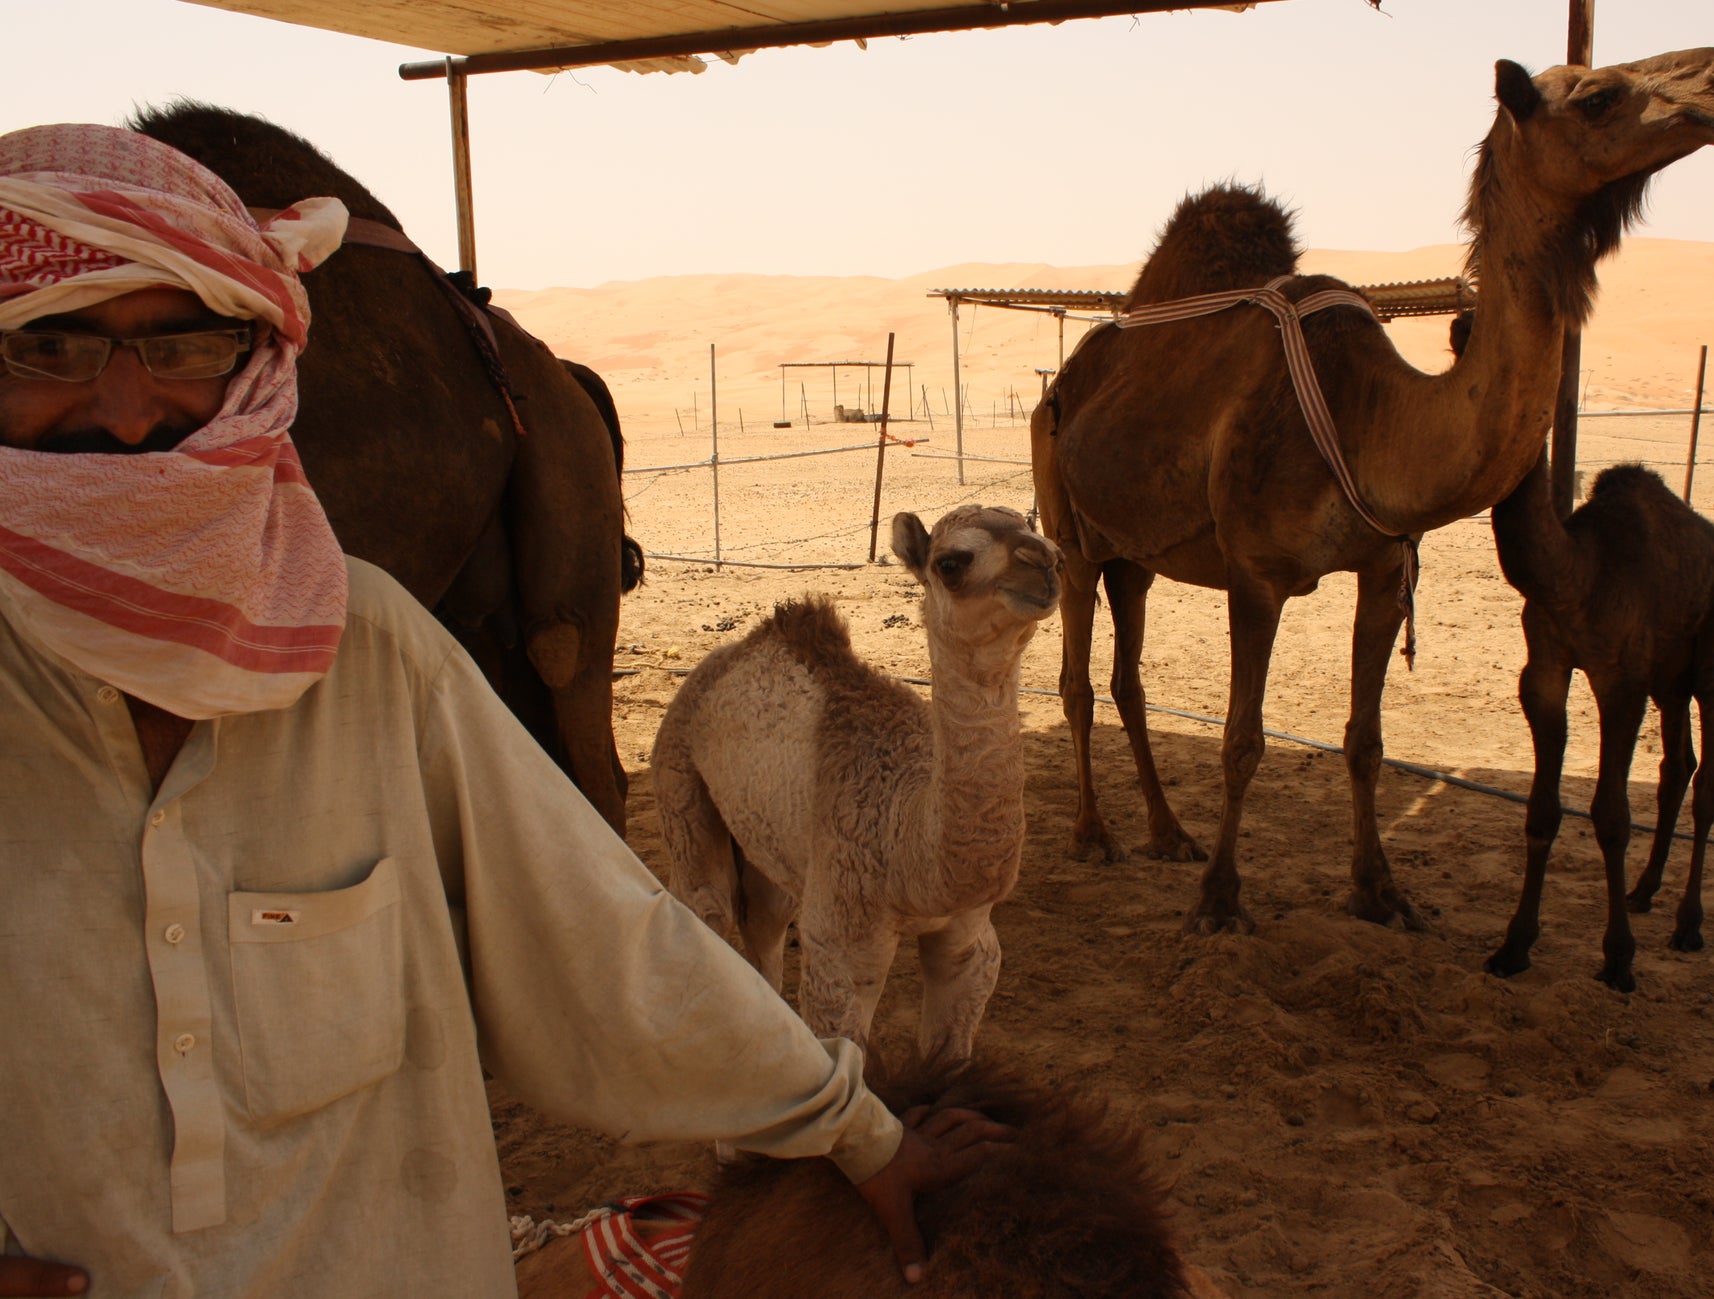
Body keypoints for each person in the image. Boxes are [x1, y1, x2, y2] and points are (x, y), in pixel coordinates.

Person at [0, 123, 1006, 1299]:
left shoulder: (365, 648)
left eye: (177, 346)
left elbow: (601, 938)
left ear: (249, 365)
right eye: (52, 348)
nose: (126, 410)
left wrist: (857, 1132)